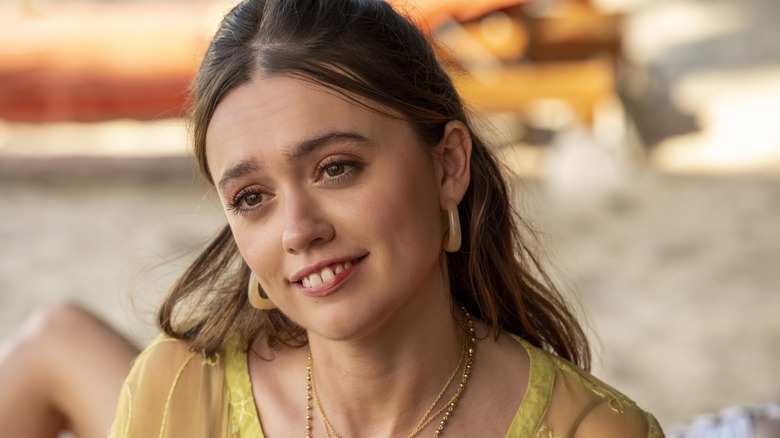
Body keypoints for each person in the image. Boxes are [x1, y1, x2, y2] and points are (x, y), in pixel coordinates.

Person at [2, 0, 665, 437]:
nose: (298, 231)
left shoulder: (589, 430)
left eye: (336, 168)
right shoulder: (174, 395)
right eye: (252, 198)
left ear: (448, 166)